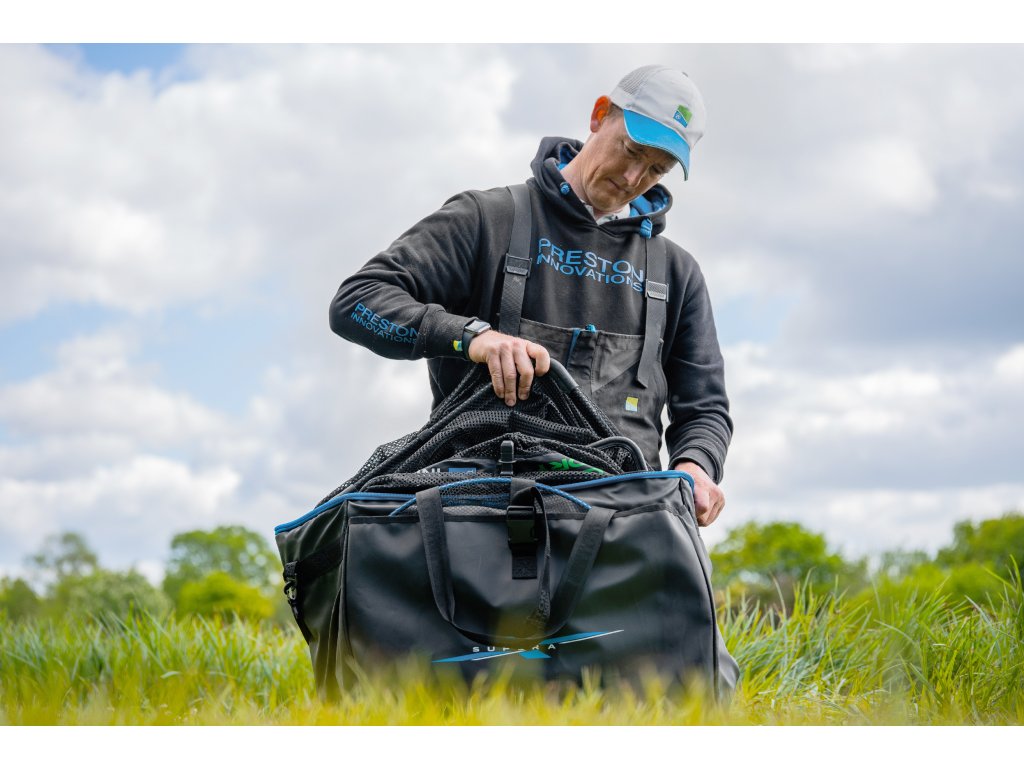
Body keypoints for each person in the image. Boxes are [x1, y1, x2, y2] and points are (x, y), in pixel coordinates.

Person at [330, 65, 732, 526]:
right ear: (600, 114)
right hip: (478, 518)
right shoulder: (487, 219)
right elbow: (357, 301)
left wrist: (696, 465)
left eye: (657, 169)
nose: (632, 176)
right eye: (630, 150)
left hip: (625, 527)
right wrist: (473, 338)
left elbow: (705, 407)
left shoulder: (677, 272)